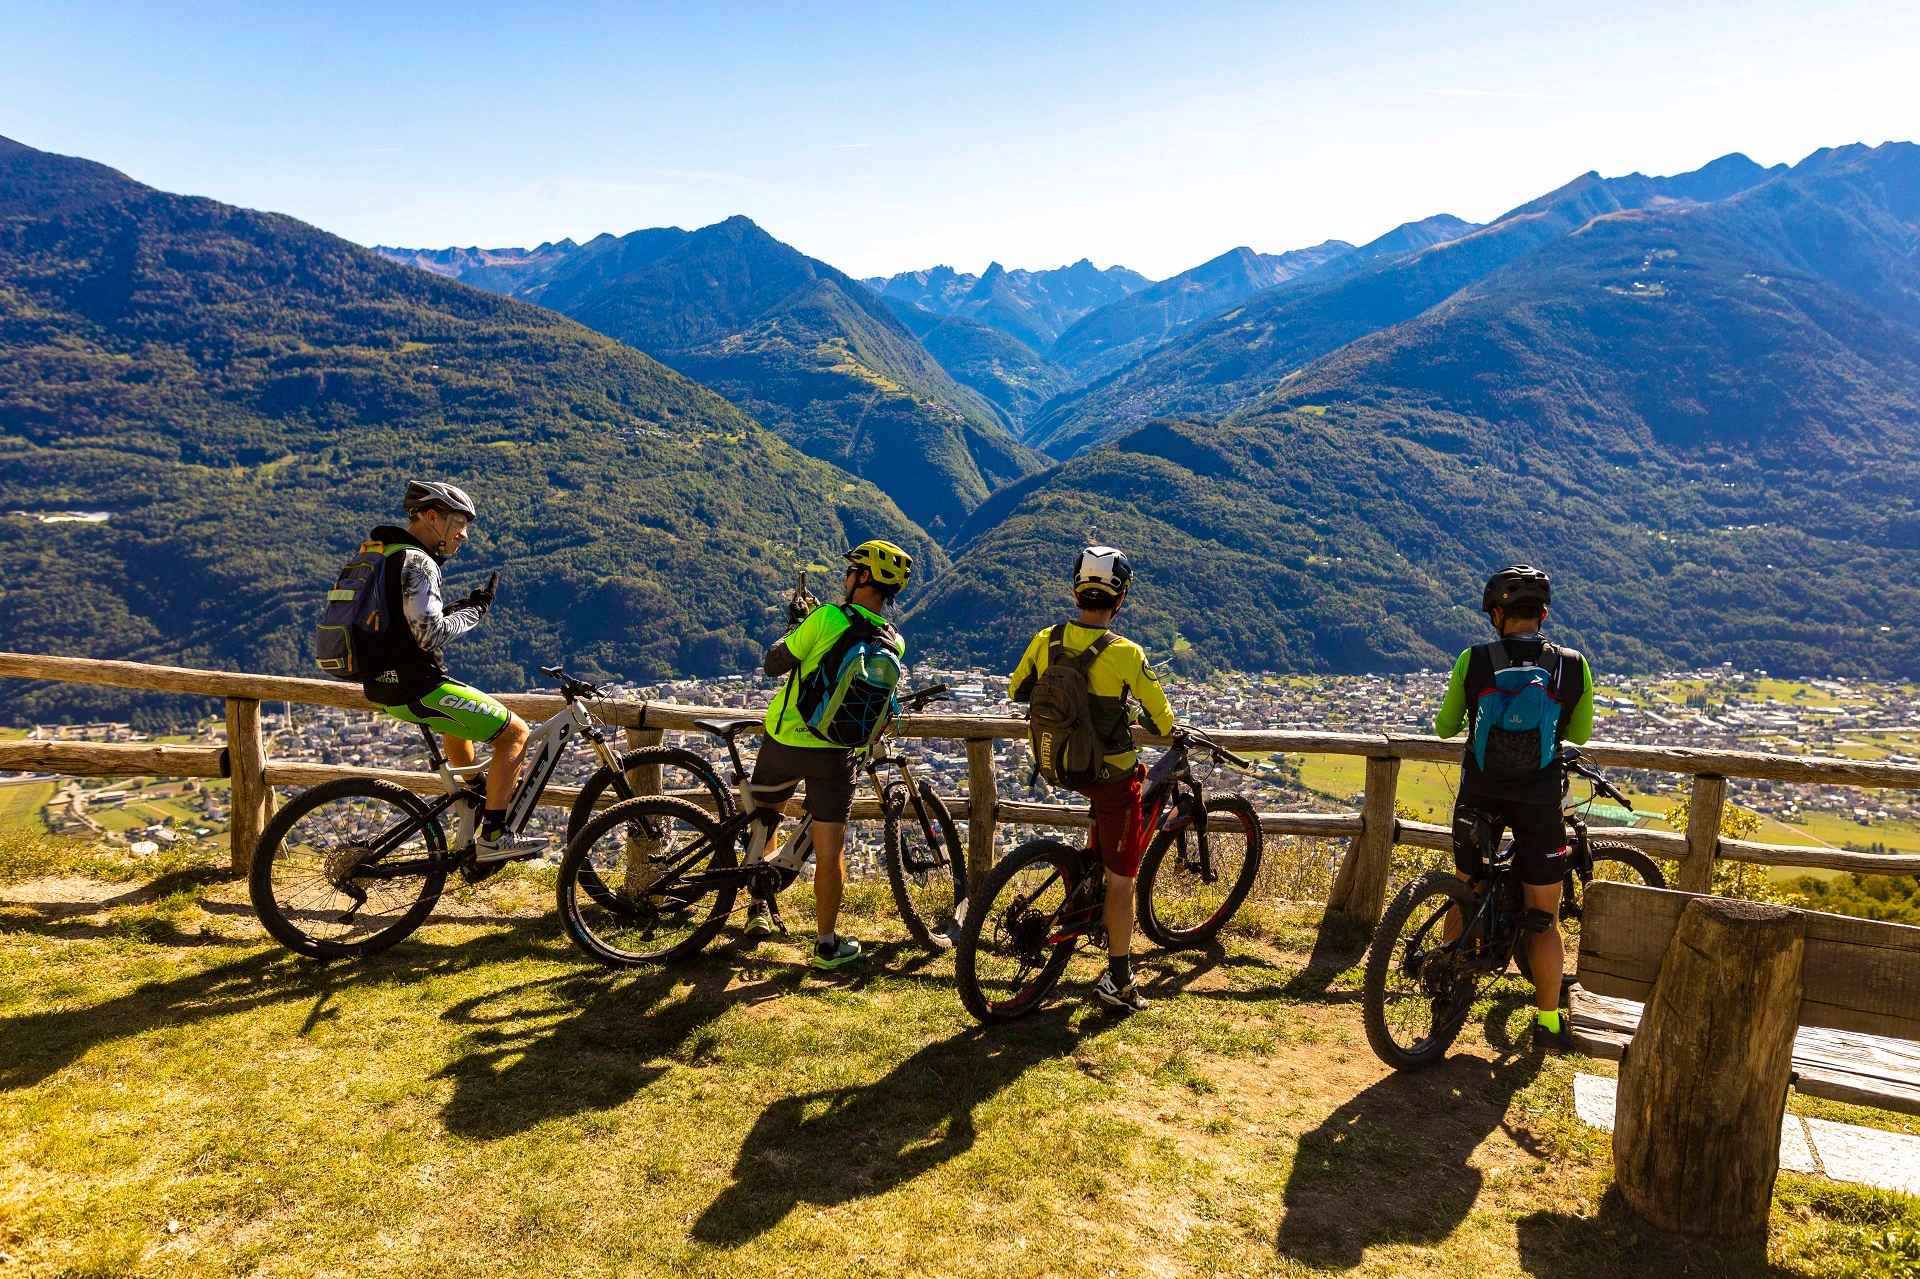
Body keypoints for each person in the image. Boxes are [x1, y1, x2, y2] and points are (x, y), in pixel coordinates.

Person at [1433, 564, 1596, 1051]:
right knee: (1544, 917)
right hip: (1539, 800)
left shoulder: (1475, 659)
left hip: (1479, 792)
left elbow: (1445, 727)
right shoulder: (1572, 665)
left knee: (1464, 889)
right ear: (1543, 614)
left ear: (1496, 615)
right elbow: (1581, 734)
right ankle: (1548, 1023)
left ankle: (1446, 990)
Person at [1009, 546, 1174, 1013]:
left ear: (1076, 591)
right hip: (1111, 775)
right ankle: (1119, 980)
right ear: (1120, 599)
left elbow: (1017, 689)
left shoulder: (1047, 639)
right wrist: (1133, 712)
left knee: (1103, 843)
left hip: (1061, 764)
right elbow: (1163, 722)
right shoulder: (1126, 653)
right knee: (1124, 879)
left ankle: (1086, 891)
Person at [744, 539, 913, 970]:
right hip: (838, 752)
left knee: (766, 818)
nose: (845, 576)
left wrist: (796, 626)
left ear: (862, 577)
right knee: (830, 849)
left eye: (851, 570)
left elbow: (774, 663)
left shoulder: (825, 617)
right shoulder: (894, 641)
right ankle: (825, 944)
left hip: (786, 739)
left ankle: (757, 909)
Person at [362, 480, 533, 861]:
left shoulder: (383, 552)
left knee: (458, 724)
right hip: (416, 684)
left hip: (382, 683)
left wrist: (452, 608)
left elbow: (408, 623)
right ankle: (495, 836)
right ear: (431, 517)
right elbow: (429, 634)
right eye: (459, 523)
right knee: (516, 734)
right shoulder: (419, 563)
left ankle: (474, 791)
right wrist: (473, 612)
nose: (464, 535)